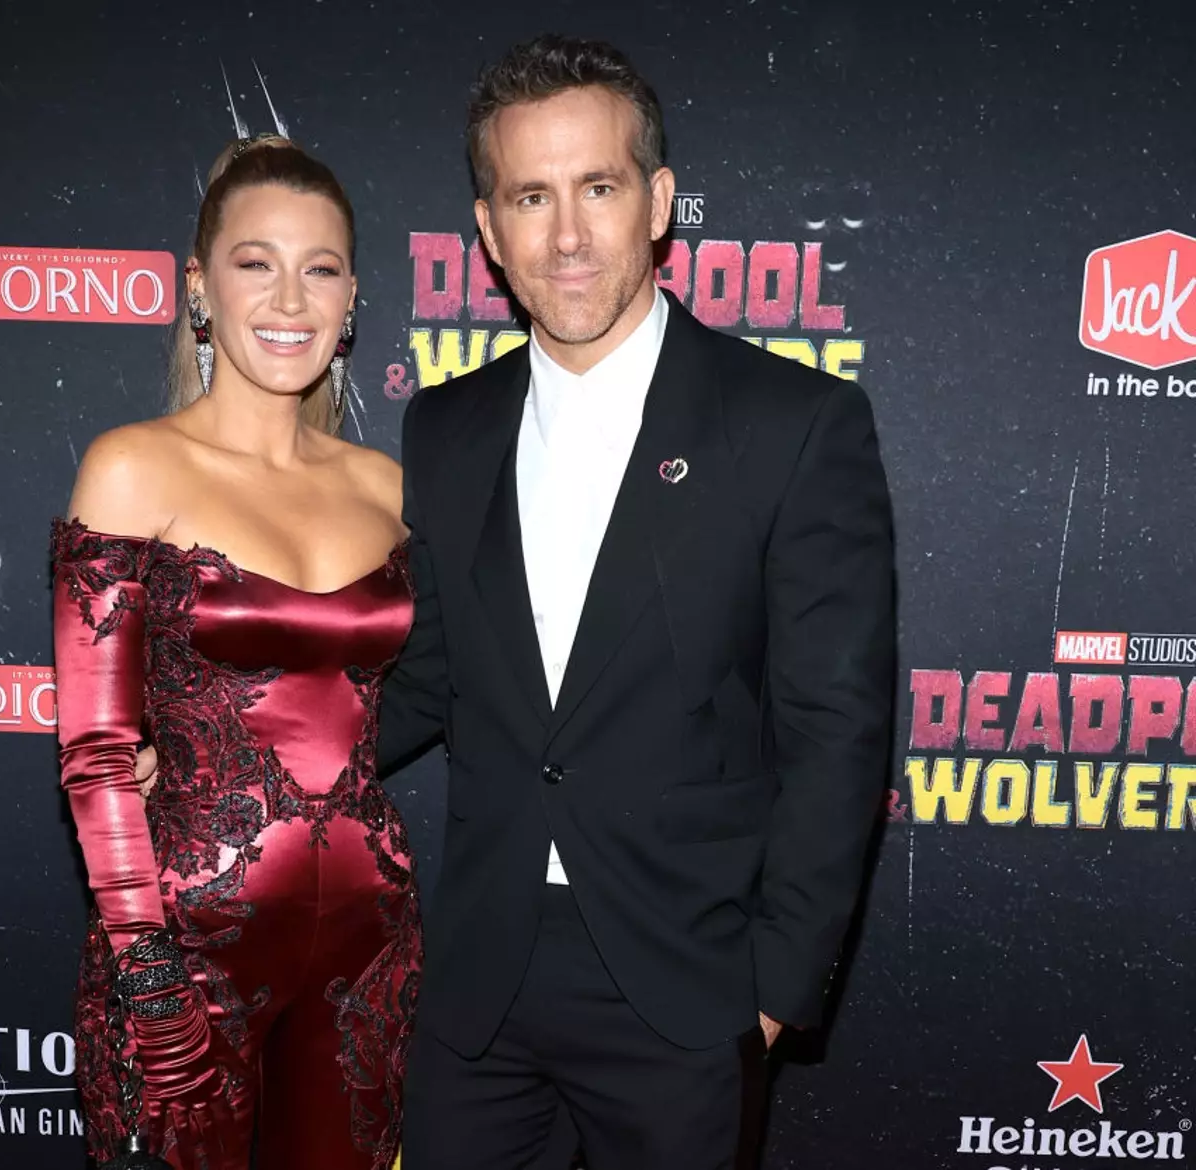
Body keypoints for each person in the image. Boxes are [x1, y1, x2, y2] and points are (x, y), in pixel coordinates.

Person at [375, 35, 897, 1170]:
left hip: (686, 981)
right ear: (489, 230)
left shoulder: (792, 426)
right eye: (531, 196)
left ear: (657, 202)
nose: (567, 236)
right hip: (481, 982)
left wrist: (771, 991)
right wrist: (236, 765)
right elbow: (425, 674)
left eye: (598, 188)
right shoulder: (446, 430)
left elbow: (837, 730)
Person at [51, 136, 420, 1170]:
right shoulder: (133, 467)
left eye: (322, 267)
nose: (290, 297)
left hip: (367, 954)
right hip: (182, 960)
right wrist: (148, 975)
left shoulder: (388, 492)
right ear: (199, 289)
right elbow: (94, 758)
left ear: (353, 299)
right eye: (256, 261)